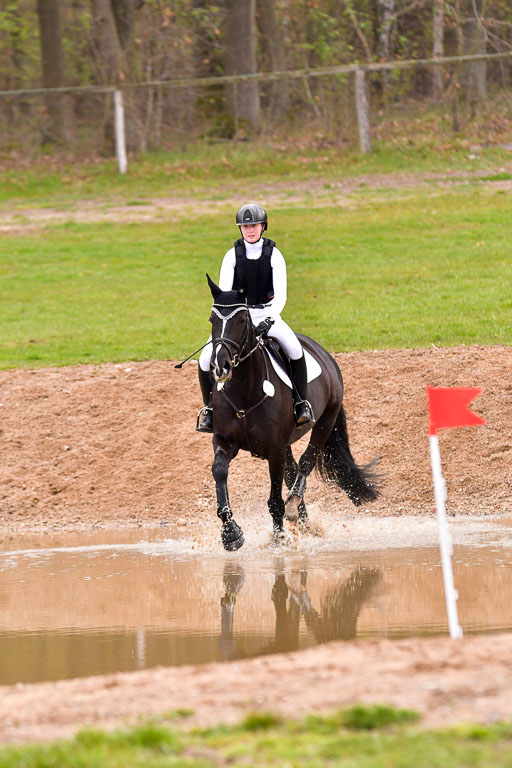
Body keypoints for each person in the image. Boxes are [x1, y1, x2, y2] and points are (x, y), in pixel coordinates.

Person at [197, 203, 315, 433]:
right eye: (245, 226)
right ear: (240, 229)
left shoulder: (274, 255)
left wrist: (269, 320)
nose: (250, 230)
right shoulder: (231, 256)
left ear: (263, 227)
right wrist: (233, 319)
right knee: (204, 358)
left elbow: (281, 295)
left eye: (254, 226)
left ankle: (302, 404)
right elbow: (226, 295)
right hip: (239, 316)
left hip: (268, 312)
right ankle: (209, 410)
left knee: (294, 349)